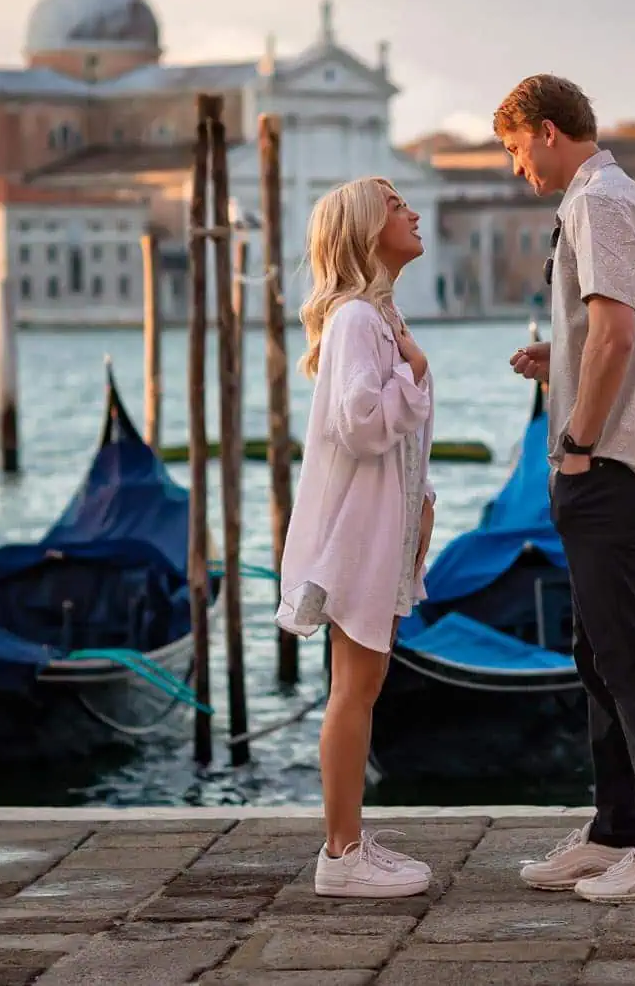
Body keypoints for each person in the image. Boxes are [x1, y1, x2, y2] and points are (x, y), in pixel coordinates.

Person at [493, 73, 635, 905]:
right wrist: (566, 360)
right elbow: (628, 333)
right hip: (624, 457)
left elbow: (618, 335)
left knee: (629, 661)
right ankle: (616, 829)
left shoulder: (597, 203)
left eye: (516, 151)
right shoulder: (630, 201)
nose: (518, 170)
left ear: (547, 132)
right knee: (598, 656)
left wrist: (576, 443)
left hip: (612, 464)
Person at [274, 175, 437, 899]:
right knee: (355, 687)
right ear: (369, 228)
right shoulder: (357, 323)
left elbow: (393, 441)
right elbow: (361, 422)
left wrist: (421, 508)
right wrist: (420, 373)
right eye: (398, 205)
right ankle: (341, 854)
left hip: (383, 529)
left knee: (362, 684)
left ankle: (349, 841)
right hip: (360, 534)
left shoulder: (376, 316)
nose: (414, 211)